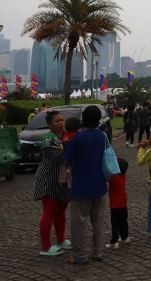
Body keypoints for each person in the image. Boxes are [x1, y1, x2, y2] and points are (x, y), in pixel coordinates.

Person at [62, 106, 109, 265]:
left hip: (81, 186)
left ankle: (80, 255)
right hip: (99, 184)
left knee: (79, 223)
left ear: (84, 118)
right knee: (98, 221)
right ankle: (98, 252)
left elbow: (67, 160)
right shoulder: (102, 136)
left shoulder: (77, 138)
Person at [34, 110, 71, 256]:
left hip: (63, 177)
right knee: (49, 211)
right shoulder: (48, 139)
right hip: (48, 177)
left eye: (62, 120)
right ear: (50, 124)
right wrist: (69, 145)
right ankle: (45, 246)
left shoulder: (66, 134)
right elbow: (57, 156)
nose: (61, 123)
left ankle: (61, 240)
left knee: (61, 208)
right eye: (57, 121)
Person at [106, 159, 130, 249]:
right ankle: (125, 237)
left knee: (115, 223)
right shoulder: (123, 175)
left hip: (115, 204)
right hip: (123, 202)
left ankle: (114, 241)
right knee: (123, 221)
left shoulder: (114, 177)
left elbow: (105, 177)